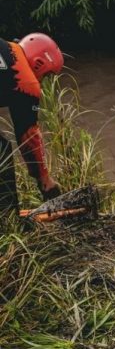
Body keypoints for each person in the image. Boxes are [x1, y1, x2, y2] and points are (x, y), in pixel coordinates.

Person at [0, 33, 63, 215]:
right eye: (47, 75)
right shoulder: (25, 77)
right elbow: (29, 138)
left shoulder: (9, 53)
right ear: (39, 62)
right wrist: (45, 181)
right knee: (1, 151)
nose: (42, 81)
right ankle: (8, 219)